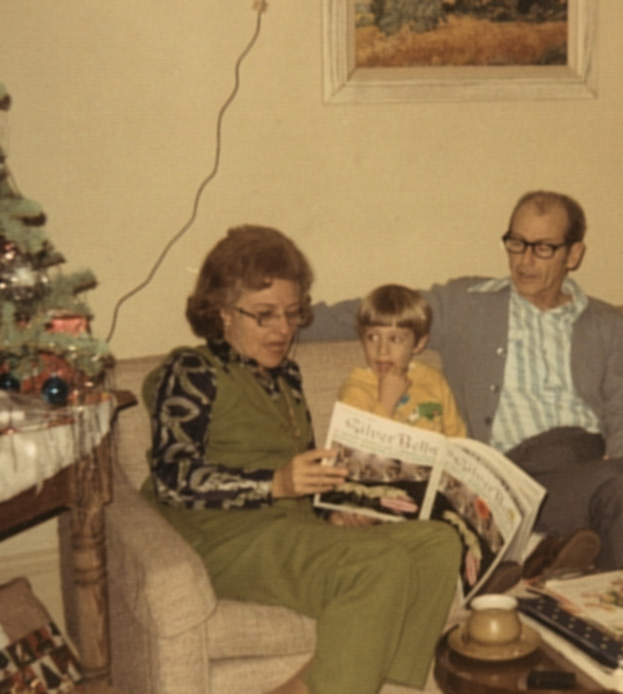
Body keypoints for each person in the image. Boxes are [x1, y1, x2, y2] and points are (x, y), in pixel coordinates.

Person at [303, 191, 623, 577]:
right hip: (523, 473)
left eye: (543, 247)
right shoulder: (466, 304)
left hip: (602, 461)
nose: (525, 260)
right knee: (620, 483)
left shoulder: (604, 323)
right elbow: (365, 313)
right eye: (516, 242)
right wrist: (283, 320)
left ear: (574, 253)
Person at [142, 225, 460, 694]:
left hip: (289, 528)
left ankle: (375, 683)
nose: (283, 330)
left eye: (292, 315)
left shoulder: (284, 374)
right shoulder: (191, 369)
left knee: (438, 543)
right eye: (264, 315)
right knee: (380, 566)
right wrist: (276, 483)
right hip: (223, 535)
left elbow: (304, 470)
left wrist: (336, 510)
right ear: (222, 312)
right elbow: (171, 476)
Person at [340, 283, 466, 437]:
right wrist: (386, 403)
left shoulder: (434, 380)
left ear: (419, 344)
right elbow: (354, 452)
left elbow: (457, 435)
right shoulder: (357, 389)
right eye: (373, 337)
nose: (382, 350)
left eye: (395, 339)